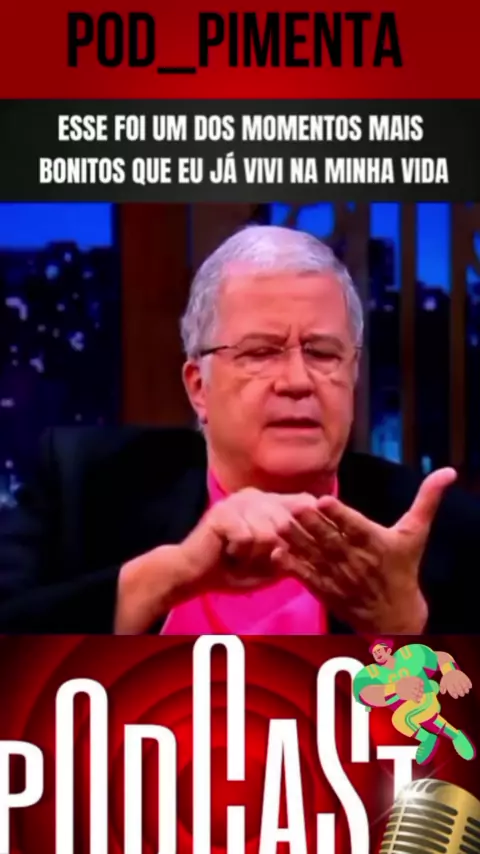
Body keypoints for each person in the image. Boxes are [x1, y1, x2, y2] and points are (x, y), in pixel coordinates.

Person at [0, 224, 479, 634]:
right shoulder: (83, 485)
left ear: (353, 374)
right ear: (198, 387)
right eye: (260, 352)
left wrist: (401, 631)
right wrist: (174, 574)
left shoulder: (445, 533)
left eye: (322, 353)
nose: (297, 381)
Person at [353, 640, 475, 764]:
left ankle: (427, 738)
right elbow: (364, 693)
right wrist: (395, 688)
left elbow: (440, 657)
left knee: (401, 719)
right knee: (429, 720)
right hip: (407, 707)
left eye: (379, 650)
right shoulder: (372, 672)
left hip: (424, 696)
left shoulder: (408, 655)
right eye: (374, 653)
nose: (377, 654)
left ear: (388, 650)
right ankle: (456, 735)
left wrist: (450, 671)